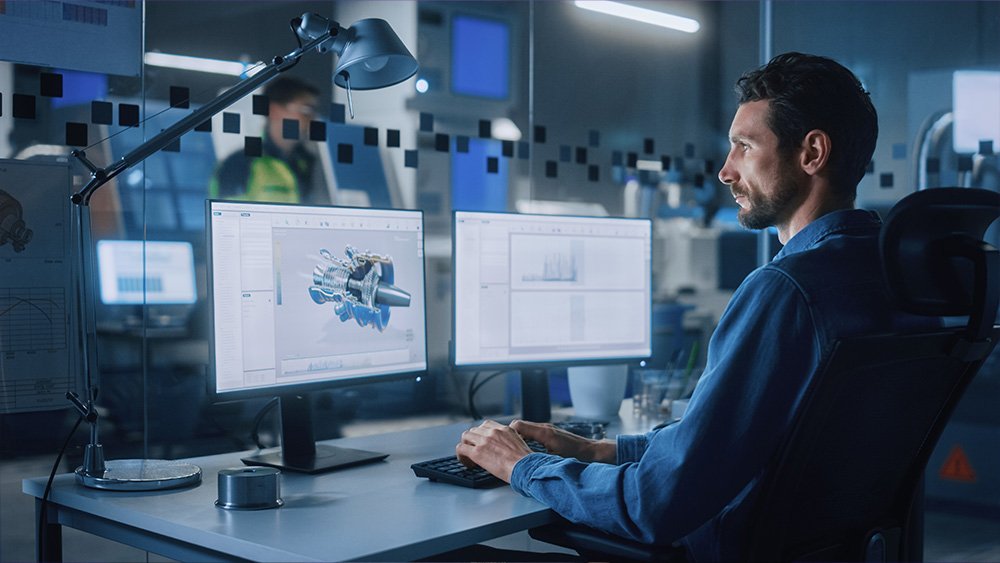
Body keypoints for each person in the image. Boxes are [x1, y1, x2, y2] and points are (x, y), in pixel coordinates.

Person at [452, 53, 936, 561]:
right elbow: (739, 444)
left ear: (812, 152)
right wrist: (603, 449)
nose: (726, 171)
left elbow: (657, 506)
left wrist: (521, 466)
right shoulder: (885, 276)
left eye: (744, 147)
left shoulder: (786, 290)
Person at [209, 75, 330, 204]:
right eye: (306, 110)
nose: (312, 119)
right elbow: (229, 218)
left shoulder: (308, 163)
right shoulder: (240, 163)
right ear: (274, 110)